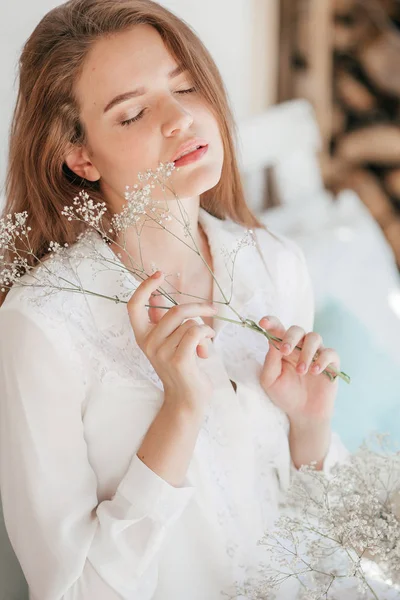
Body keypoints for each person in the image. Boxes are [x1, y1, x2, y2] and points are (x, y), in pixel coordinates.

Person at [0, 1, 349, 598]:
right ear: (80, 156)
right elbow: (74, 591)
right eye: (133, 114)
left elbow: (324, 550)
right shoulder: (41, 325)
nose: (180, 118)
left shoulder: (276, 265)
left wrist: (309, 428)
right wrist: (180, 411)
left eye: (186, 86)